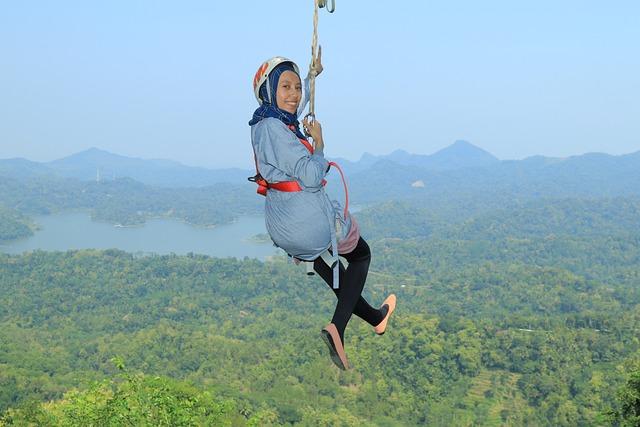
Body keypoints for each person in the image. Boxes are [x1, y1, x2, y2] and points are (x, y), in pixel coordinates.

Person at [248, 54, 396, 370]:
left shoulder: (265, 123)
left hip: (283, 225)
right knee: (360, 255)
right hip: (308, 220)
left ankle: (374, 317)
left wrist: (313, 77)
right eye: (285, 86)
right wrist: (319, 144)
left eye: (297, 88)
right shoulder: (276, 128)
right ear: (269, 90)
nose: (294, 94)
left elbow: (294, 111)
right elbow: (313, 175)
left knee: (330, 269)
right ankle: (337, 328)